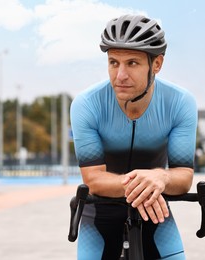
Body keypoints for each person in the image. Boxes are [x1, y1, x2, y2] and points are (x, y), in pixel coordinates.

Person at [70, 14, 197, 259]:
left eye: (132, 63)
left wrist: (160, 176)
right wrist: (146, 185)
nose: (120, 76)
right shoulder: (86, 104)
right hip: (100, 213)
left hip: (155, 211)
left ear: (157, 64)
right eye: (113, 63)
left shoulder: (180, 103)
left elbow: (184, 176)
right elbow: (94, 179)